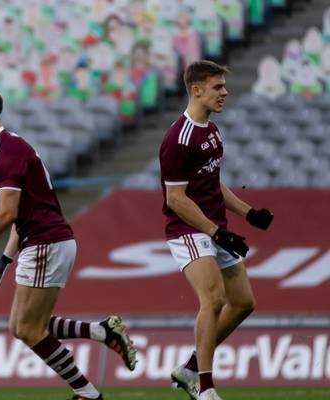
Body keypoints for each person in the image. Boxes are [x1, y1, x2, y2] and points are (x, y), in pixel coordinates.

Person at [0, 83, 137, 400]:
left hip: (46, 243)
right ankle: (101, 332)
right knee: (20, 326)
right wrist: (6, 258)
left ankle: (87, 393)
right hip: (44, 240)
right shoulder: (9, 147)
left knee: (29, 329)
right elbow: (21, 212)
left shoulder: (4, 154)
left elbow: (6, 212)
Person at [159, 60, 274, 400]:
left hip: (213, 228)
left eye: (224, 86)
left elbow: (212, 183)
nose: (225, 92)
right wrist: (216, 232)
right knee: (214, 299)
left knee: (243, 303)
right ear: (197, 90)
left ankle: (190, 367)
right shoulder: (177, 139)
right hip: (188, 230)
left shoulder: (211, 130)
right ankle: (205, 387)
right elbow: (176, 199)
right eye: (218, 87)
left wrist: (248, 213)